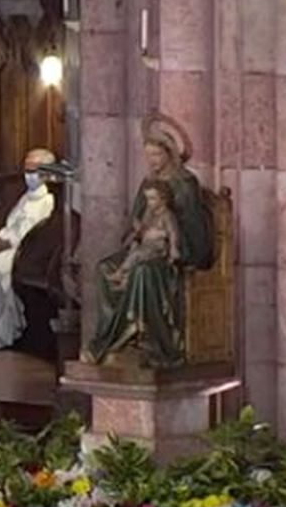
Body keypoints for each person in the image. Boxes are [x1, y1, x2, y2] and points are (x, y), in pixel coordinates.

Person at [87, 125, 212, 367]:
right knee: (104, 268)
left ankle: (148, 343)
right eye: (148, 155)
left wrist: (170, 245)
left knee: (143, 272)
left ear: (170, 152)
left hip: (170, 257)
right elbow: (136, 219)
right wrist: (136, 235)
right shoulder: (149, 182)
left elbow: (194, 231)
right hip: (144, 247)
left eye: (156, 155)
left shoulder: (185, 183)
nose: (152, 161)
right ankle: (110, 341)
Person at [0, 148, 58, 350]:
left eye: (34, 170)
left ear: (46, 172)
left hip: (24, 253)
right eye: (27, 170)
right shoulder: (26, 197)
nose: (29, 175)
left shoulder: (49, 201)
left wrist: (10, 244)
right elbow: (11, 224)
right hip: (5, 246)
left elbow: (38, 235)